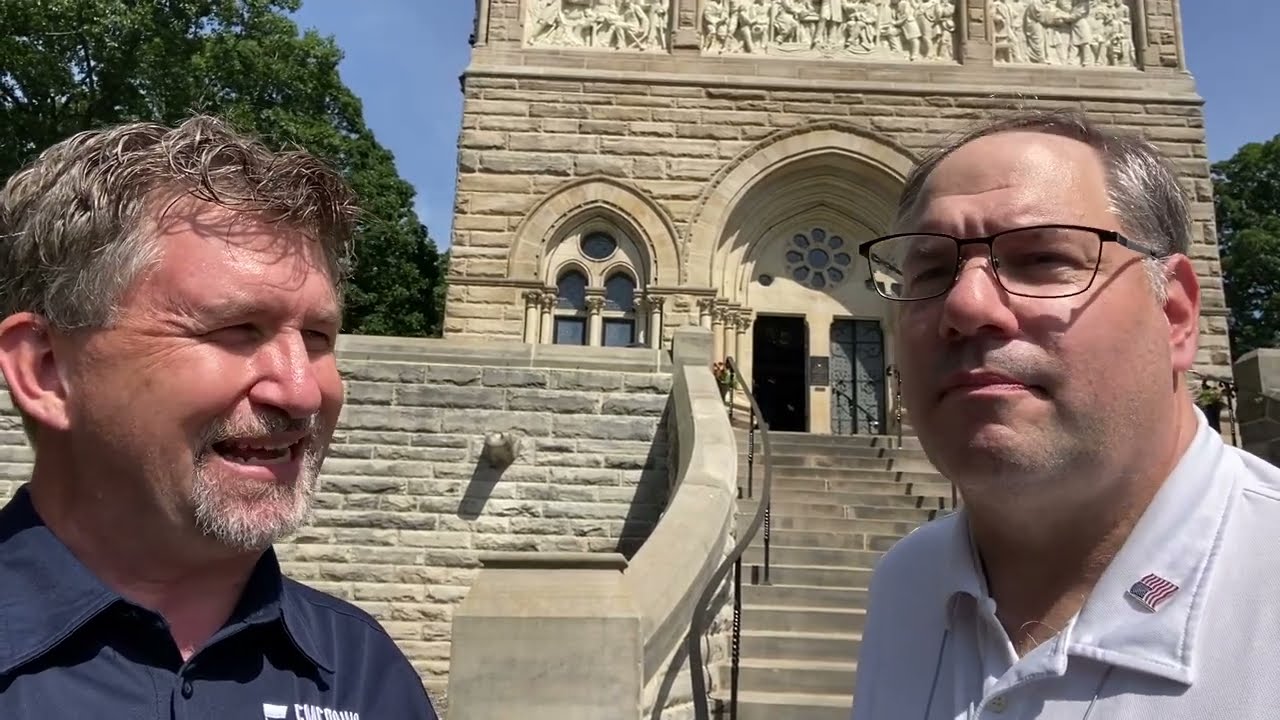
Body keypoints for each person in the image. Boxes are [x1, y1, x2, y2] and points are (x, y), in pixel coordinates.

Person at [0, 116, 439, 719]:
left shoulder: (363, 674)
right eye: (236, 330)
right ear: (47, 370)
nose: (302, 391)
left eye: (317, 337)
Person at [851, 109, 1280, 718]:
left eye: (1042, 258)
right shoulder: (906, 587)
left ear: (1177, 314)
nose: (966, 304)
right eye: (931, 269)